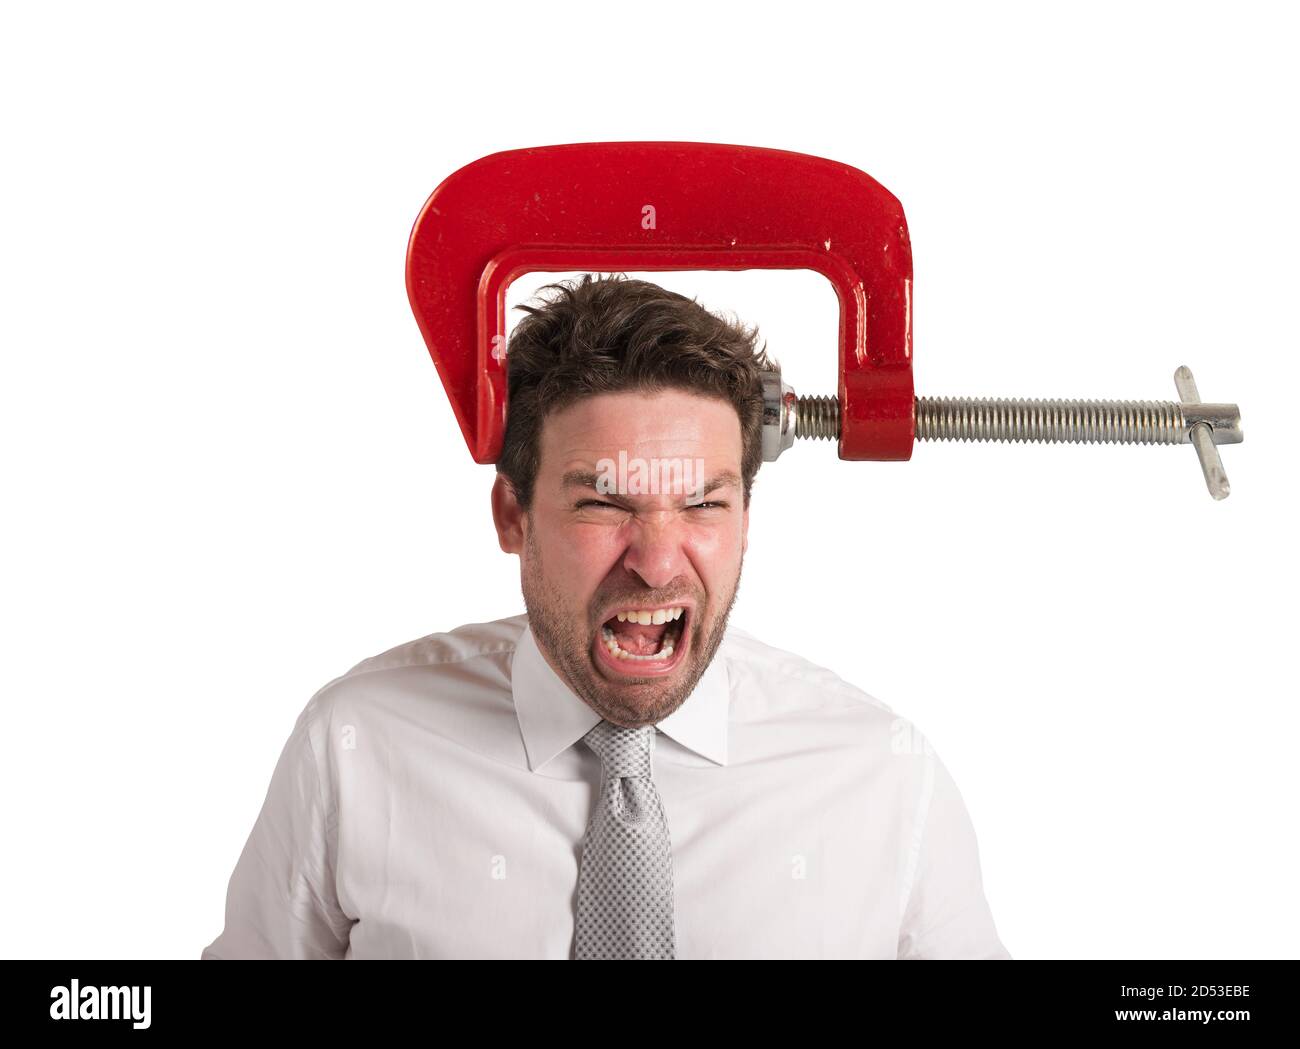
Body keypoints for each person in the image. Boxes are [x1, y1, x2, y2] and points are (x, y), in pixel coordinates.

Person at [202, 273, 1010, 960]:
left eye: (703, 502)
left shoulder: (883, 777)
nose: (657, 560)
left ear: (747, 520)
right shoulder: (356, 749)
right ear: (512, 514)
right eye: (602, 502)